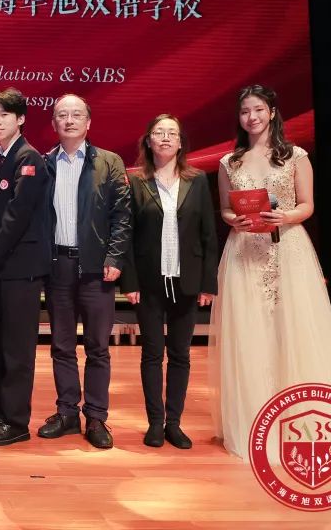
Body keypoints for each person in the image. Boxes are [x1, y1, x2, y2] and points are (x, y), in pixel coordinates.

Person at [209, 85, 331, 474]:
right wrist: (235, 220)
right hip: (244, 252)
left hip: (287, 251)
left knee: (294, 331)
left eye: (259, 109)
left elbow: (307, 205)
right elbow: (225, 208)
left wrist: (285, 216)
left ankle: (301, 418)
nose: (252, 117)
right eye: (245, 111)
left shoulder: (295, 156)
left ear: (272, 112)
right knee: (249, 333)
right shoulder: (229, 161)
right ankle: (253, 419)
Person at [38, 94, 131, 450]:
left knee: (97, 346)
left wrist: (115, 258)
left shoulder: (109, 162)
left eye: (76, 114)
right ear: (54, 123)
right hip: (57, 266)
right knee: (61, 345)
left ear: (88, 122)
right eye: (62, 115)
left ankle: (96, 416)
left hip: (96, 268)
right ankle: (66, 413)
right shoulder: (44, 164)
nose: (69, 120)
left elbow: (122, 216)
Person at [121, 114, 217, 449]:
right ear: (148, 141)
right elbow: (127, 235)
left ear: (180, 142)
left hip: (186, 278)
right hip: (149, 281)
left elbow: (208, 234)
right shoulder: (136, 181)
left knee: (180, 354)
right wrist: (129, 281)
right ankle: (154, 423)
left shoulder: (198, 180)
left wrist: (208, 283)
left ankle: (174, 423)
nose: (165, 137)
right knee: (152, 352)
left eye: (171, 133)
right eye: (158, 132)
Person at [0, 88, 51, 446]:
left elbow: (18, 216)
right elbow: (1, 215)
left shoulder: (29, 159)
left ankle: (16, 422)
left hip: (22, 267)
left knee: (17, 347)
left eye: (4, 115)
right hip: (1, 263)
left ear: (21, 118)